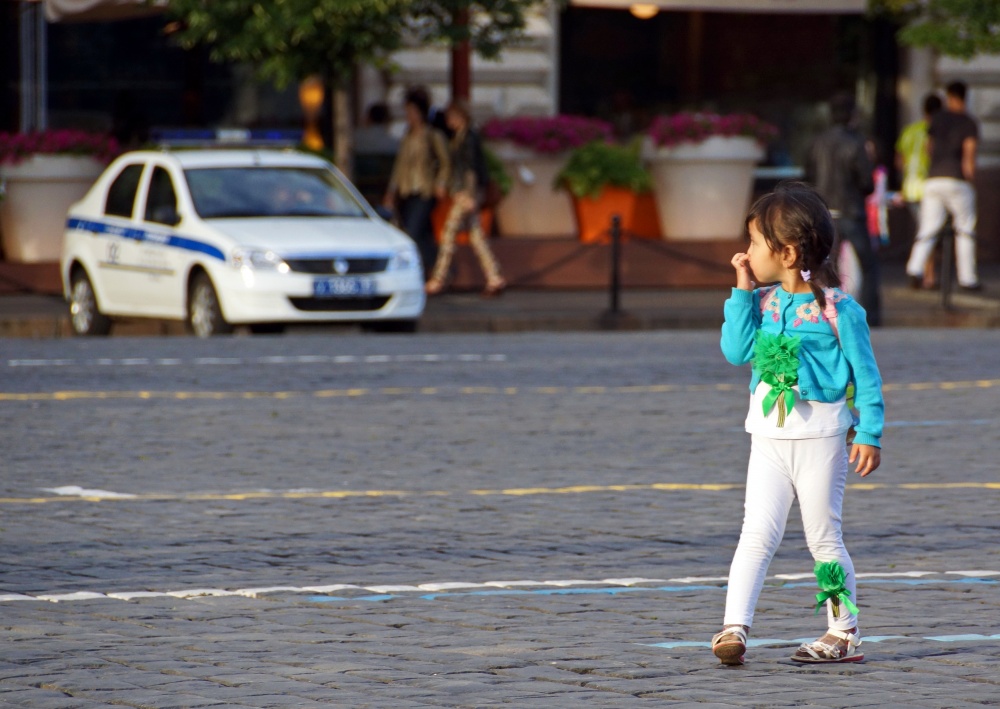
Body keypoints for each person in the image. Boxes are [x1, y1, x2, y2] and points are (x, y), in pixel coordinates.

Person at [712, 182, 884, 666]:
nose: (746, 252)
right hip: (767, 436)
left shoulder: (839, 310)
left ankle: (844, 631)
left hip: (821, 438)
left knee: (823, 537)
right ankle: (734, 626)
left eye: (754, 242)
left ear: (787, 253)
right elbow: (735, 352)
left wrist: (869, 432)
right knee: (755, 532)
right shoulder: (761, 302)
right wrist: (741, 291)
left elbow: (867, 376)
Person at [805, 92, 880, 326]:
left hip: (823, 211)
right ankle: (871, 316)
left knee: (824, 266)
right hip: (851, 212)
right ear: (851, 115)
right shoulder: (856, 142)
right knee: (868, 265)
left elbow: (807, 178)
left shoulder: (816, 142)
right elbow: (867, 183)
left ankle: (824, 313)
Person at [424, 100, 506, 298]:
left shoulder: (468, 137)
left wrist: (469, 194)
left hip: (465, 192)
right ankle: (494, 277)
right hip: (463, 191)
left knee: (449, 232)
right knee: (476, 236)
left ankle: (438, 278)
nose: (449, 121)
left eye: (451, 117)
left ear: (460, 117)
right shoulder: (461, 136)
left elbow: (470, 168)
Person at [905, 81, 981, 292]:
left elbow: (929, 148)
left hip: (934, 179)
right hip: (957, 179)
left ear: (949, 96)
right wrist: (970, 179)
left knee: (928, 227)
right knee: (965, 228)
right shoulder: (969, 122)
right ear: (965, 97)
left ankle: (915, 268)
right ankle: (967, 278)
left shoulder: (937, 119)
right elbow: (969, 155)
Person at [384, 88, 450, 278]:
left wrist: (441, 183)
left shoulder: (432, 135)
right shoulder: (407, 136)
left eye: (412, 112)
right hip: (407, 189)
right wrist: (392, 191)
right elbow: (399, 166)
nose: (409, 116)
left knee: (413, 231)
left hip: (425, 189)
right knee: (423, 233)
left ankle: (437, 268)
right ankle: (437, 270)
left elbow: (445, 162)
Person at [895, 93, 943, 289]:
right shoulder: (935, 131)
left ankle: (920, 271)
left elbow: (899, 161)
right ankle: (927, 275)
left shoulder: (909, 130)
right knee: (928, 232)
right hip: (927, 187)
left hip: (910, 188)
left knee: (922, 230)